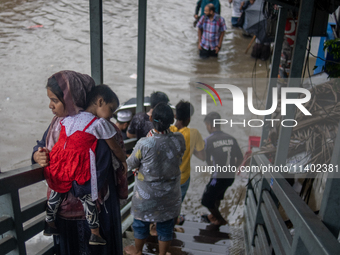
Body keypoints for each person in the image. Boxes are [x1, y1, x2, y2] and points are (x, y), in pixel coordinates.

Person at [32, 70, 123, 254]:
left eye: (56, 100)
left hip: (94, 206)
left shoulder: (101, 127)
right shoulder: (57, 124)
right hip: (69, 209)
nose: (50, 106)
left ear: (73, 98)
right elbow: (41, 145)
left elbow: (105, 165)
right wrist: (37, 155)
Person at [124, 103, 186, 255]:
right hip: (170, 194)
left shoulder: (145, 143)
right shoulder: (179, 138)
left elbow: (130, 163)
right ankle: (162, 253)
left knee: (140, 222)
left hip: (146, 194)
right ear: (173, 119)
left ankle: (138, 251)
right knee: (165, 224)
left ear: (151, 118)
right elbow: (179, 156)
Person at [201, 112, 243, 226]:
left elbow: (206, 158)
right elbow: (240, 158)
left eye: (206, 125)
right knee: (217, 196)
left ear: (209, 124)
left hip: (218, 176)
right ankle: (214, 215)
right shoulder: (231, 138)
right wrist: (232, 168)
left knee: (206, 200)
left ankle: (220, 220)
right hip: (229, 177)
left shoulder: (208, 140)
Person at [169, 101, 205, 201]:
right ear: (189, 118)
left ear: (175, 116)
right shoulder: (193, 133)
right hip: (182, 178)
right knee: (177, 204)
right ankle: (176, 216)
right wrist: (191, 147)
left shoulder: (167, 130)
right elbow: (203, 157)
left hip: (167, 178)